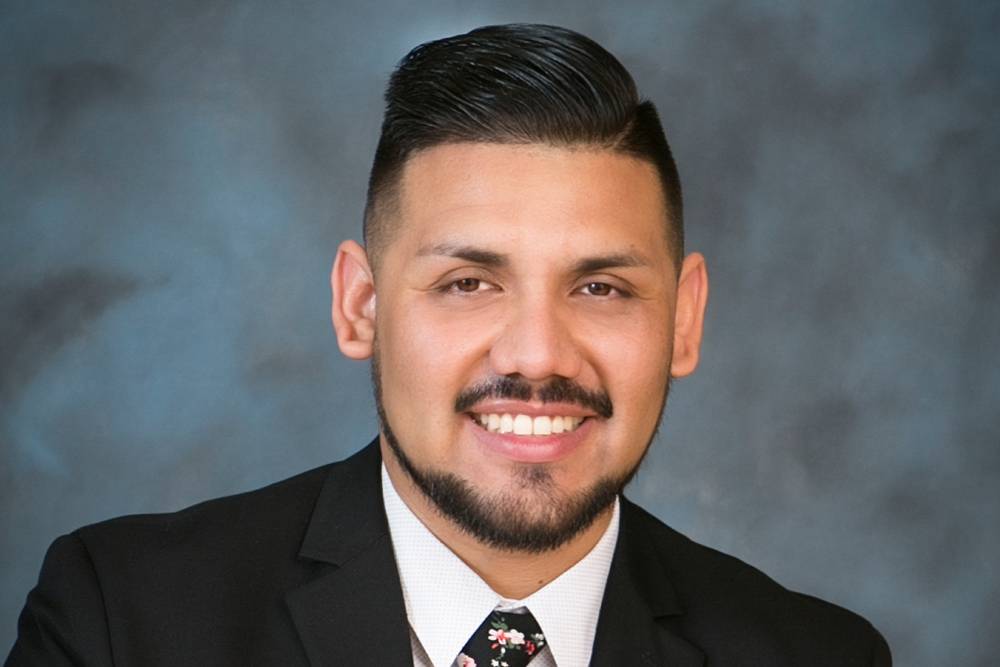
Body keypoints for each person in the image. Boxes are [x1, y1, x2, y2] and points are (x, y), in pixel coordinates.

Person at [6, 23, 891, 667]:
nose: (540, 356)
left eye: (601, 287)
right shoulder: (121, 621)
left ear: (684, 320)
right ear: (361, 306)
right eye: (470, 283)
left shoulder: (817, 654)